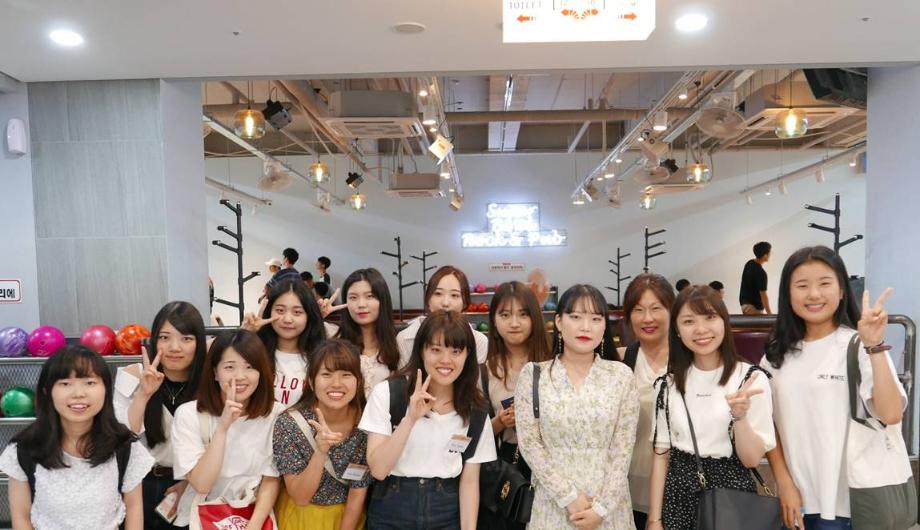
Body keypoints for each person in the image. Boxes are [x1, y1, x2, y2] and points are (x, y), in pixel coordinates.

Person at [762, 246, 906, 530]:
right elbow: (768, 423)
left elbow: (891, 414)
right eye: (802, 285)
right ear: (788, 294)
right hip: (799, 502)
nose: (814, 294)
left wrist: (875, 346)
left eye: (825, 283)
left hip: (855, 502)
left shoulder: (859, 345)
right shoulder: (776, 355)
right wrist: (784, 482)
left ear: (841, 290)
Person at [647, 285, 775, 530]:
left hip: (732, 495)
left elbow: (751, 460)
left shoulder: (750, 379)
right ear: (677, 330)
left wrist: (740, 417)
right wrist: (654, 520)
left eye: (709, 317)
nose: (701, 329)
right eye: (688, 321)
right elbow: (661, 456)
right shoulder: (667, 385)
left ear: (724, 321)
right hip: (678, 497)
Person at [515, 284, 639, 529]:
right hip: (553, 506)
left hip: (609, 509)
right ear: (559, 322)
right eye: (575, 317)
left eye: (595, 319)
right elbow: (530, 444)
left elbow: (623, 449)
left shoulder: (621, 376)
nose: (585, 327)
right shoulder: (534, 375)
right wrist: (569, 497)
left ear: (604, 326)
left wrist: (602, 508)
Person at [360, 310, 497, 529]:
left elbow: (470, 482)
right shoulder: (387, 393)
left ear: (467, 355)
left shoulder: (476, 410)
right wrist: (410, 419)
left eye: (456, 351)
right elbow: (378, 469)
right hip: (392, 508)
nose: (446, 360)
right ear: (421, 351)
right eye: (435, 349)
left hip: (446, 510)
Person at [0, 346, 155, 530]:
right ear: (47, 391)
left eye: (90, 382)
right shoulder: (23, 449)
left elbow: (134, 508)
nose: (78, 393)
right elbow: (21, 518)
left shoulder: (125, 446)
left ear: (106, 389)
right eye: (65, 383)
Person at [170, 330, 284, 529]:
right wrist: (222, 428)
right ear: (215, 372)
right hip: (202, 517)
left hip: (253, 515)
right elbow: (202, 483)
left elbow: (271, 479)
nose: (240, 376)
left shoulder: (276, 414)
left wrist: (253, 527)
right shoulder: (189, 415)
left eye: (250, 367)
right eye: (229, 367)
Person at [113, 301, 207, 529]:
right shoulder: (133, 374)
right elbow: (121, 437)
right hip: (138, 486)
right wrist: (143, 395)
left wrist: (190, 483)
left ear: (199, 343)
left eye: (186, 338)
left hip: (191, 485)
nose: (175, 347)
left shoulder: (209, 382)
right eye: (165, 337)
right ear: (154, 340)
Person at [272, 339, 371, 529]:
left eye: (346, 374)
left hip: (347, 519)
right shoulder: (289, 423)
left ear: (358, 381)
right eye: (326, 374)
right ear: (311, 381)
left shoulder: (366, 425)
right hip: (299, 518)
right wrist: (320, 451)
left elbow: (357, 493)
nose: (337, 384)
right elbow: (300, 497)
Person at [479, 281, 551, 530]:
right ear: (494, 320)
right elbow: (473, 435)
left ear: (534, 318)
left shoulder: (554, 365)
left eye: (523, 314)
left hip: (551, 462)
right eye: (505, 315)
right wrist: (500, 422)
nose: (514, 323)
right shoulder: (485, 371)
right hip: (508, 464)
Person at [616, 273, 675, 529]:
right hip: (626, 488)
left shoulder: (688, 362)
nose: (647, 318)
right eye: (638, 310)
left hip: (678, 489)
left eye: (656, 308)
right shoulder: (619, 362)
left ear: (672, 311)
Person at [243, 279, 337, 408]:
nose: (287, 319)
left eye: (297, 312)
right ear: (269, 311)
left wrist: (320, 319)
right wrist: (245, 334)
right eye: (280, 310)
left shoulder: (321, 357)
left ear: (308, 315)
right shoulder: (255, 353)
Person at [396, 265, 489, 366]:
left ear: (465, 303)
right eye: (438, 293)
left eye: (454, 295)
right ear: (428, 299)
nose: (445, 303)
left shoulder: (478, 341)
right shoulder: (405, 339)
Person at [336, 268, 401, 397]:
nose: (361, 304)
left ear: (383, 300)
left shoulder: (399, 343)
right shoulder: (334, 341)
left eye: (370, 296)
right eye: (353, 297)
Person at [740, 241, 772, 315]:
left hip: (745, 305)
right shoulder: (761, 273)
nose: (770, 255)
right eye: (769, 253)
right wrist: (770, 314)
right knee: (767, 321)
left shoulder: (749, 263)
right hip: (752, 308)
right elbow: (763, 296)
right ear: (765, 255)